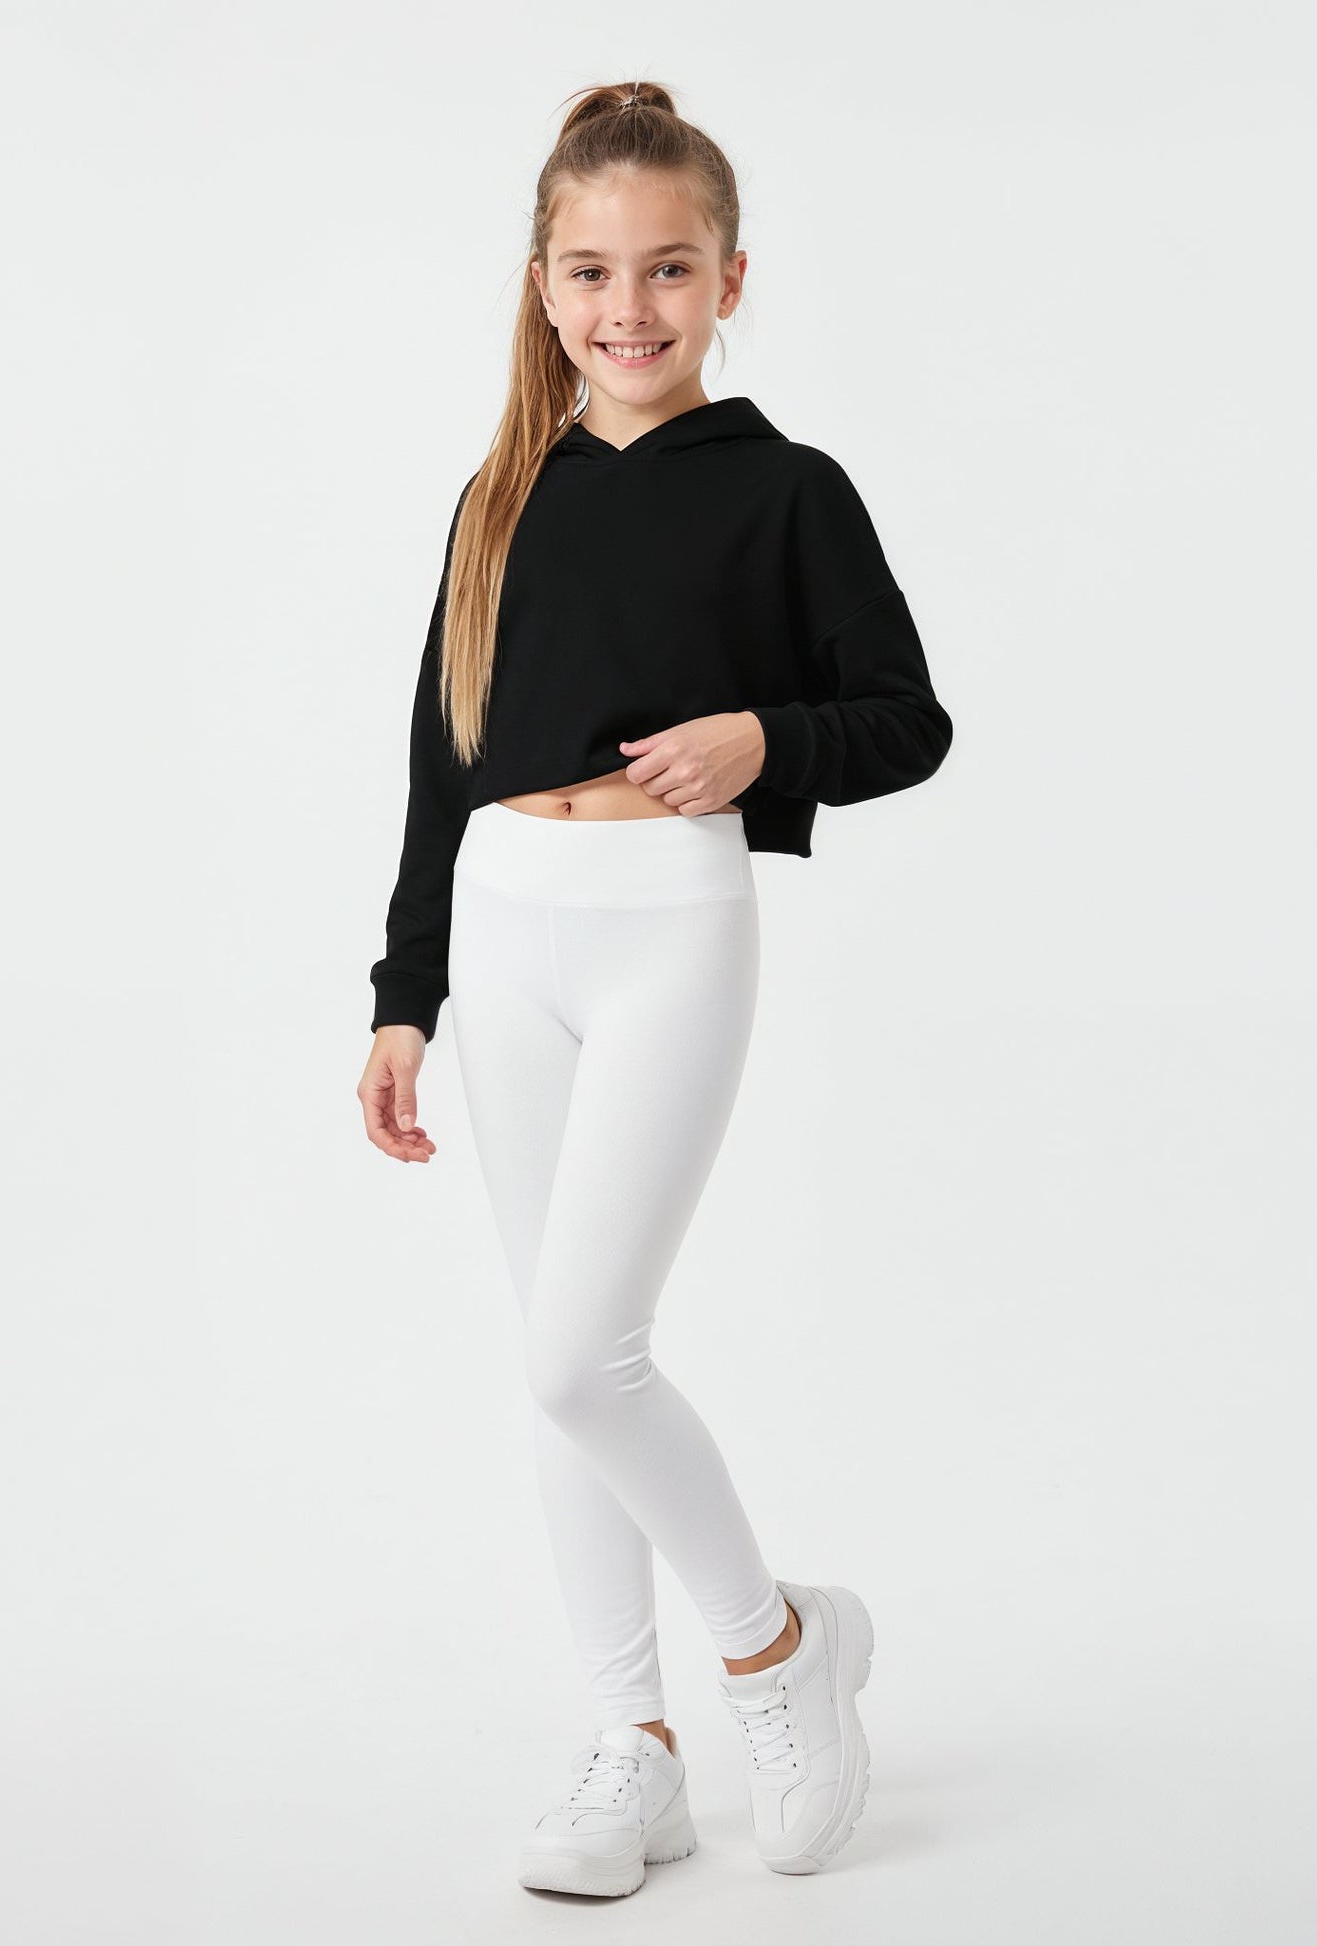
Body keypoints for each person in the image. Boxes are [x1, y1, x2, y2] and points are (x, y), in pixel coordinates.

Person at [356, 79, 952, 1897]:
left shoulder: (786, 491)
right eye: (594, 271)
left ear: (729, 280)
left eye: (670, 268)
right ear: (544, 285)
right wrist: (404, 992)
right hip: (505, 922)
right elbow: (439, 760)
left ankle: (775, 1646)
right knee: (558, 1369)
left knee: (579, 1352)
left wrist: (763, 735)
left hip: (667, 921)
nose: (631, 307)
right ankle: (634, 1740)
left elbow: (905, 720)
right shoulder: (497, 499)